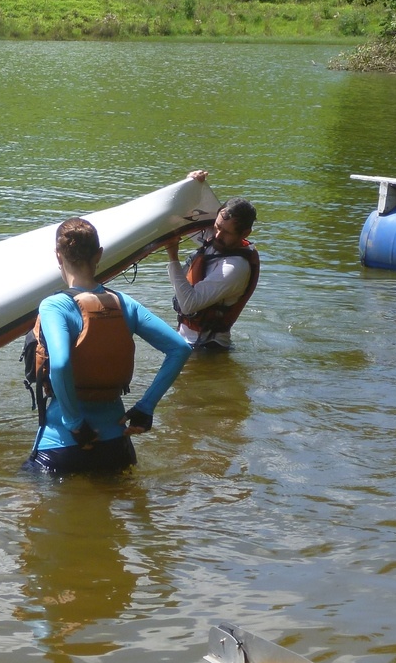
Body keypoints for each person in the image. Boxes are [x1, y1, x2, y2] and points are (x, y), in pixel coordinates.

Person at [26, 217, 191, 475]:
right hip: (117, 444)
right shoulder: (124, 303)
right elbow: (180, 348)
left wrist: (75, 424)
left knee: (24, 492)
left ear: (58, 255)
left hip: (63, 446)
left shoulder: (54, 305)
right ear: (99, 254)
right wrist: (145, 408)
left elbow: (60, 364)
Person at [165, 171, 259, 350]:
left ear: (245, 234)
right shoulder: (217, 239)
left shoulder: (235, 268)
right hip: (188, 342)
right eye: (217, 227)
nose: (217, 235)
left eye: (227, 232)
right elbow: (181, 216)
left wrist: (173, 257)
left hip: (208, 349)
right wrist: (190, 184)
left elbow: (188, 305)